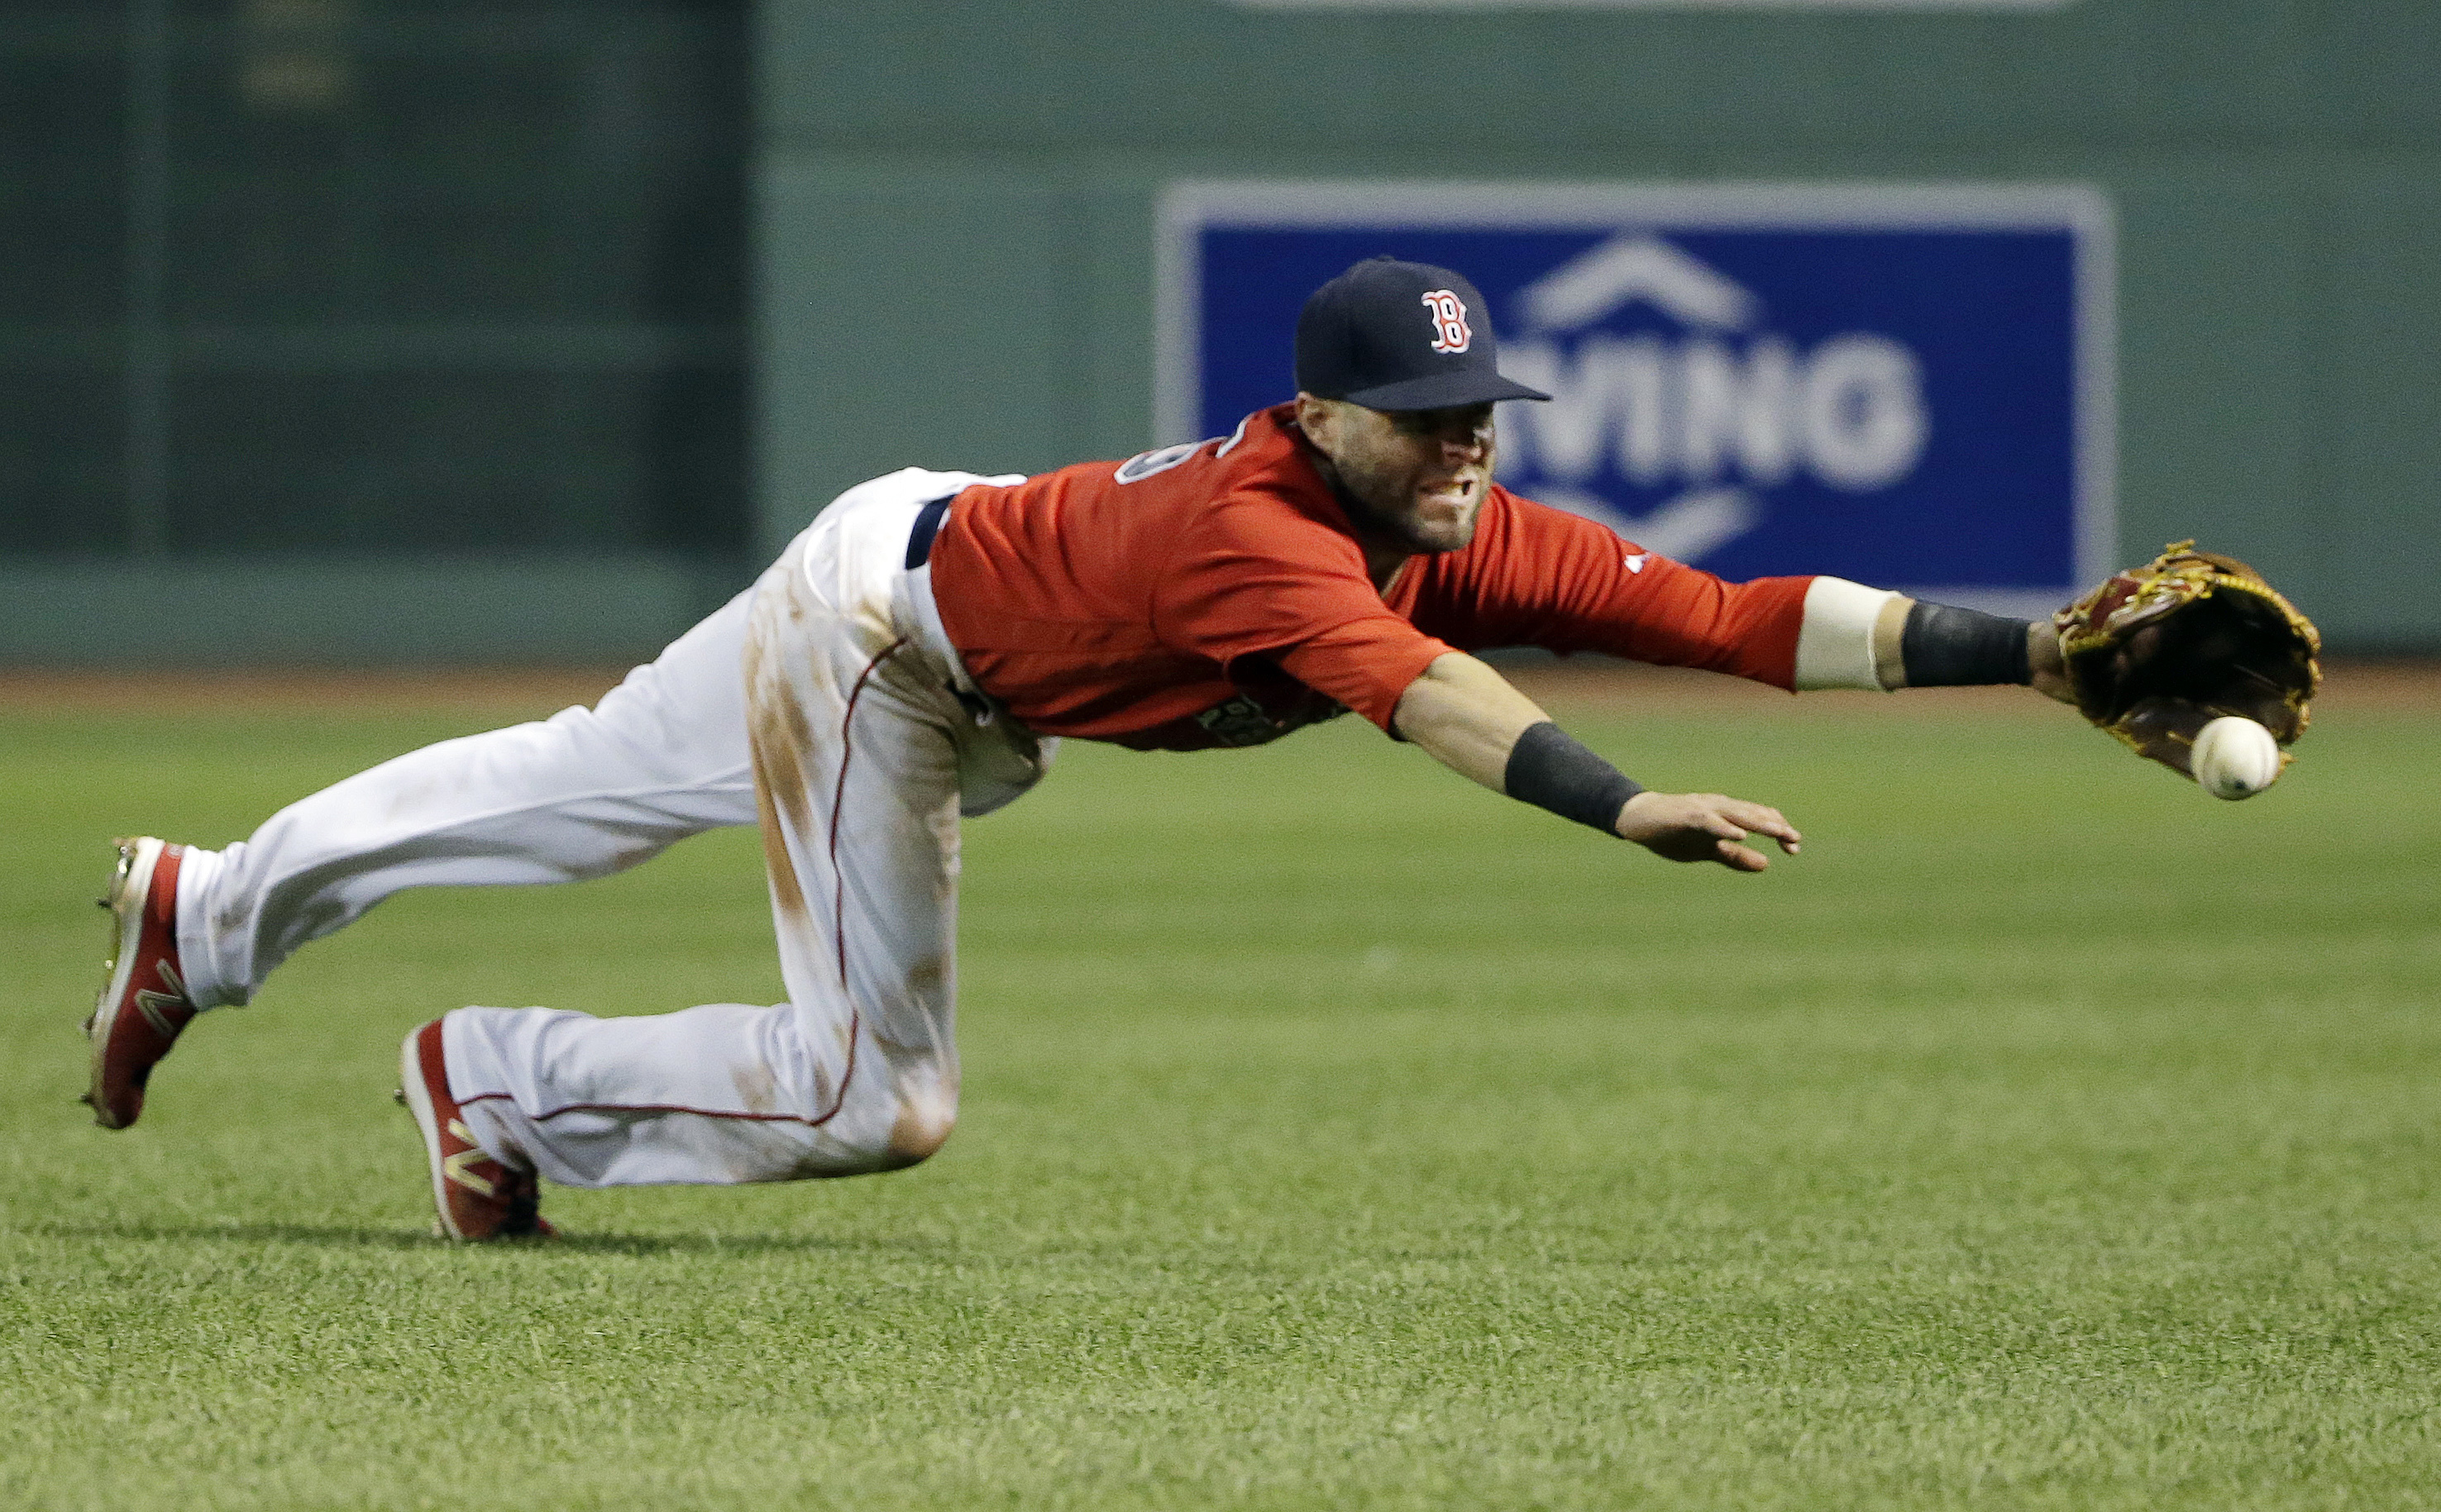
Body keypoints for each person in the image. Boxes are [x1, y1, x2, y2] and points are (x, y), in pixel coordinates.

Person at [83, 256, 2073, 1240]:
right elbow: (1439, 703)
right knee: (878, 1100)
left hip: (928, 559)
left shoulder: (1445, 514)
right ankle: (497, 1083)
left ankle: (211, 906)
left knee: (581, 782)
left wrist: (2047, 655)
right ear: (1321, 414)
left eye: (1485, 410)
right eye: (1424, 416)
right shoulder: (1262, 537)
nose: (1467, 443)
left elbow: (1745, 619)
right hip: (899, 647)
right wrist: (1622, 800)